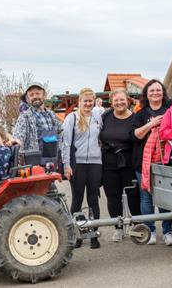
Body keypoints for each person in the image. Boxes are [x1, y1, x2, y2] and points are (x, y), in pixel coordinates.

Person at [131, 79, 172, 246]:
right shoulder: (141, 113)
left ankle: (168, 231)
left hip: (164, 160)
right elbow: (135, 135)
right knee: (146, 198)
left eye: (158, 90)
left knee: (164, 197)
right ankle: (150, 231)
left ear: (163, 93)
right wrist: (152, 124)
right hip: (143, 161)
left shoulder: (170, 109)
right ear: (146, 94)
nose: (155, 93)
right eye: (152, 91)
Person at [61, 87, 102, 249]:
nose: (88, 104)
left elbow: (102, 138)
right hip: (77, 164)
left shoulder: (98, 117)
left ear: (93, 102)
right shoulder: (72, 118)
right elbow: (65, 143)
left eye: (90, 101)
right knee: (77, 200)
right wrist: (66, 165)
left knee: (93, 199)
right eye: (85, 101)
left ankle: (93, 235)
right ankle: (77, 234)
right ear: (80, 101)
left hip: (95, 163)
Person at [100, 89, 140, 242]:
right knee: (113, 197)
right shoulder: (106, 116)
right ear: (111, 102)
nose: (119, 103)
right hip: (109, 161)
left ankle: (137, 226)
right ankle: (118, 227)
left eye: (122, 99)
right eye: (116, 100)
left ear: (128, 100)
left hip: (129, 161)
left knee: (133, 196)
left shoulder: (135, 118)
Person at [13, 82, 61, 166]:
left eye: (38, 93)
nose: (35, 96)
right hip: (34, 165)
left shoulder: (52, 115)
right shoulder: (24, 117)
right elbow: (18, 139)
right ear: (27, 99)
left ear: (44, 95)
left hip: (53, 163)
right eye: (31, 95)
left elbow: (61, 134)